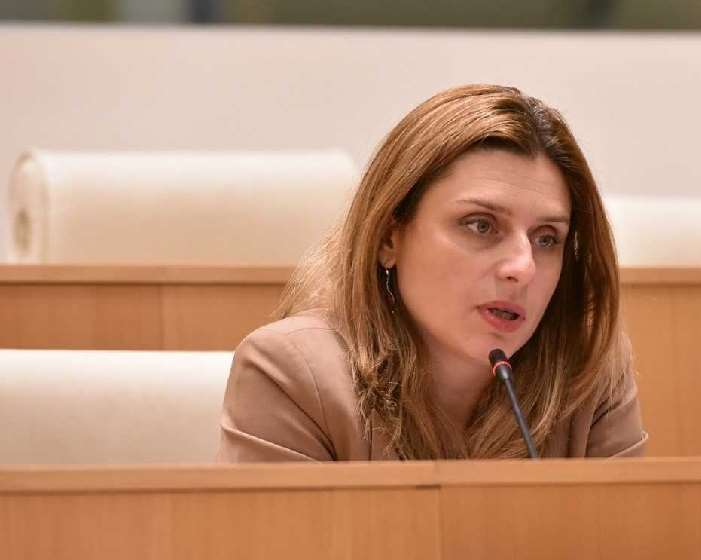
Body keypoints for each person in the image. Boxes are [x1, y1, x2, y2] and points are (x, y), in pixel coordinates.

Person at [217, 84, 648, 462]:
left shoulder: (586, 376)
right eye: (481, 226)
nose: (523, 267)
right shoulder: (292, 374)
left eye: (547, 238)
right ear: (388, 237)